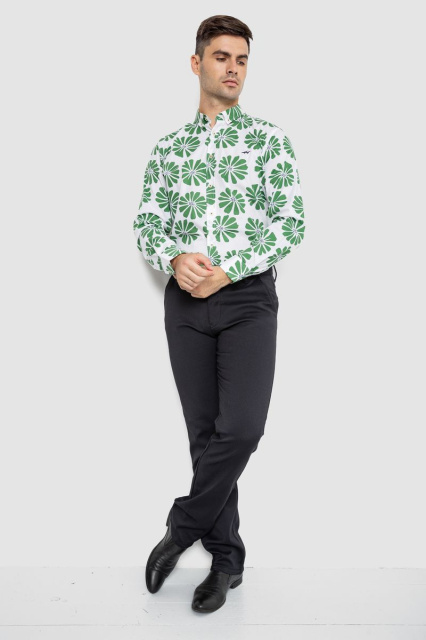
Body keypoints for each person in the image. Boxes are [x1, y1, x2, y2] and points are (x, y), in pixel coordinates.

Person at [133, 14, 306, 614]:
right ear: (197, 63)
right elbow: (147, 223)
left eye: (242, 60)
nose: (233, 69)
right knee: (205, 437)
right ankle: (226, 559)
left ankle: (181, 528)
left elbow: (291, 222)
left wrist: (228, 270)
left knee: (243, 429)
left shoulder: (269, 141)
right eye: (222, 57)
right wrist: (173, 257)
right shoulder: (168, 148)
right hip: (184, 307)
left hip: (247, 300)